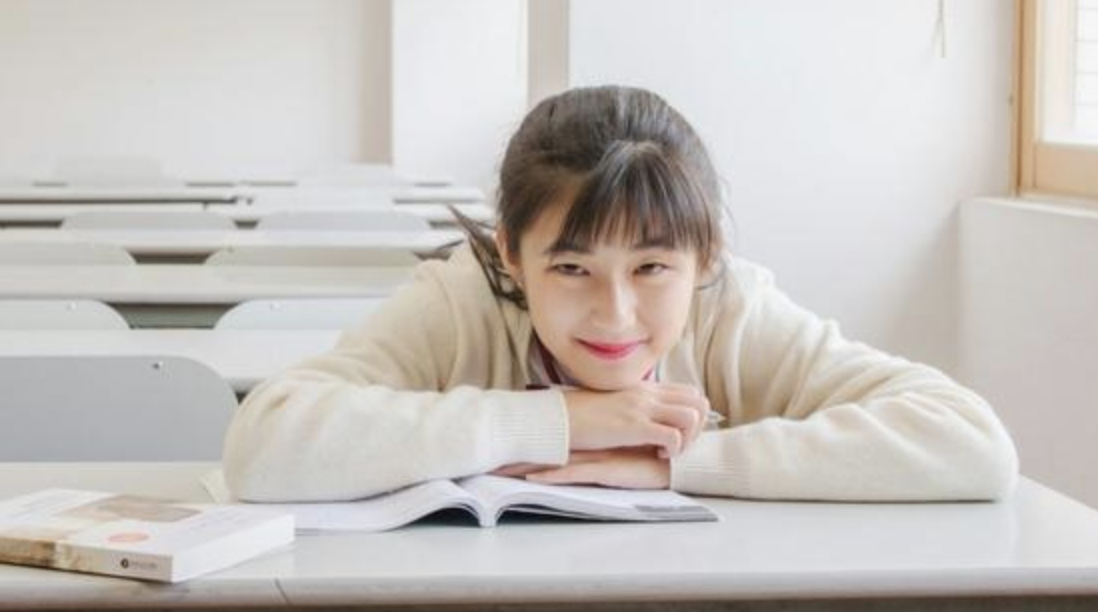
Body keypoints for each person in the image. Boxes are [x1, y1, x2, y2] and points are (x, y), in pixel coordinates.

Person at [223, 85, 1017, 502]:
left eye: (651, 269)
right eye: (571, 270)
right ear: (512, 254)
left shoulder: (727, 307)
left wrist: (682, 464)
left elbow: (970, 444)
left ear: (704, 255)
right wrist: (558, 421)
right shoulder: (462, 300)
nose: (615, 314)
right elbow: (265, 448)